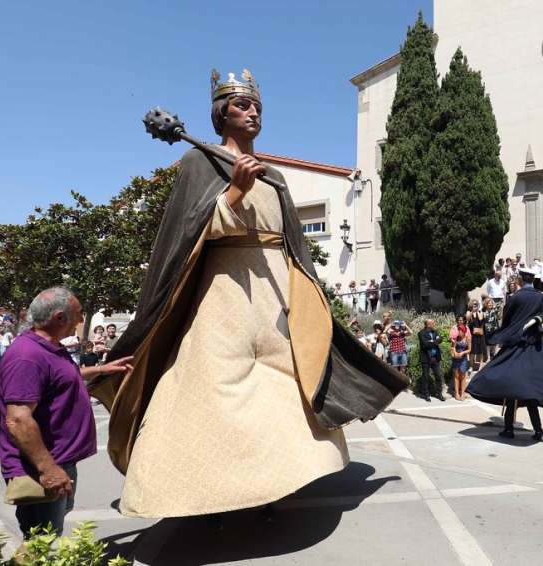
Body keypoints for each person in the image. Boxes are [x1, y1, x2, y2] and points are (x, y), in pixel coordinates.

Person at [87, 68, 408, 520]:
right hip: (224, 291)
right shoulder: (200, 163)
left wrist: (306, 293)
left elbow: (292, 241)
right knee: (214, 388)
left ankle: (271, 485)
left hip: (275, 293)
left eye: (257, 105)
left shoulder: (274, 176)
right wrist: (236, 191)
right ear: (221, 115)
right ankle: (207, 492)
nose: (253, 112)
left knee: (285, 388)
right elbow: (190, 231)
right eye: (242, 105)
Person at [0, 287, 133, 548]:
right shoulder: (27, 356)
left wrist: (102, 369)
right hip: (43, 466)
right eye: (78, 313)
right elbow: (18, 420)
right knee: (40, 540)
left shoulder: (50, 348)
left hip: (60, 460)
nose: (81, 319)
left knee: (49, 531)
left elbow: (62, 376)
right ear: (59, 317)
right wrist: (48, 470)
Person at [467, 267, 543, 443]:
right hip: (535, 345)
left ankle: (508, 429)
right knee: (530, 393)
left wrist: (501, 335)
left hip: (516, 343)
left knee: (510, 391)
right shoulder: (541, 296)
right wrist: (536, 320)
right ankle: (538, 431)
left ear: (521, 279)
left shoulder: (515, 297)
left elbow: (507, 320)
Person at [418, 319, 445, 402]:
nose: (434, 324)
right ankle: (426, 394)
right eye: (433, 323)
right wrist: (435, 341)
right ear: (428, 324)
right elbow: (425, 344)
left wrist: (432, 341)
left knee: (438, 376)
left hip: (435, 357)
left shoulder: (435, 332)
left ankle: (439, 393)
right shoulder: (421, 333)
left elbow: (441, 339)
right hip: (426, 358)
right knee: (425, 377)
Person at [450, 329, 471, 400]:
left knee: (463, 376)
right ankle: (456, 393)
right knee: (456, 376)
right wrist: (455, 353)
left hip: (463, 359)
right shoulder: (456, 338)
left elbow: (469, 349)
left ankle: (463, 393)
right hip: (456, 358)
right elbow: (453, 347)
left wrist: (462, 353)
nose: (458, 332)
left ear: (463, 332)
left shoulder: (468, 339)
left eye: (460, 331)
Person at [467, 300, 487, 372]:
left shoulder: (480, 312)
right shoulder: (469, 312)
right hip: (472, 333)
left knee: (480, 350)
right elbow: (467, 318)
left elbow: (480, 319)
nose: (475, 305)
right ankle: (471, 365)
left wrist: (477, 311)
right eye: (474, 304)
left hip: (480, 333)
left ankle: (480, 365)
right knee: (472, 350)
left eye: (476, 304)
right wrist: (472, 311)